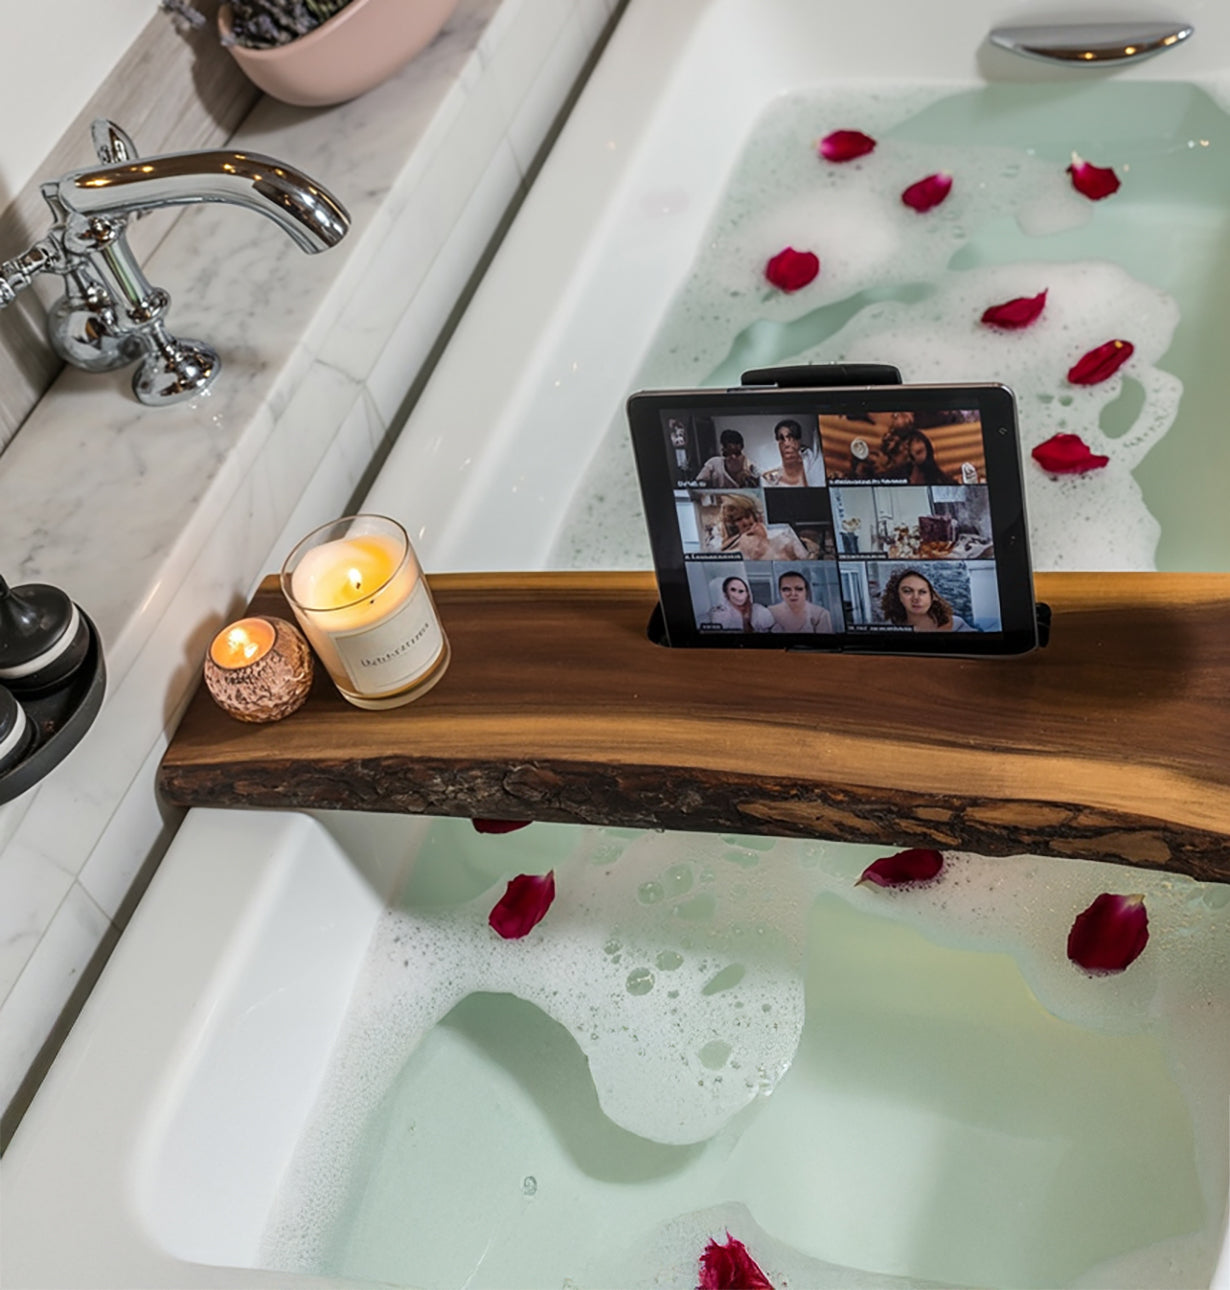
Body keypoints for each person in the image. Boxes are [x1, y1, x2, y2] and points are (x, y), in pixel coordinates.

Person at [879, 567, 976, 632]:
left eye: (922, 592)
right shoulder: (889, 629)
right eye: (908, 591)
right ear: (897, 596)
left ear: (932, 596)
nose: (916, 598)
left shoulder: (958, 625)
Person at [718, 493, 808, 561]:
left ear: (754, 516)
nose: (745, 522)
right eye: (739, 519)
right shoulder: (730, 552)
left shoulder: (783, 532)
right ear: (731, 525)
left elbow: (806, 561)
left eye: (747, 516)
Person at [762, 419, 826, 487]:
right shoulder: (770, 479)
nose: (786, 443)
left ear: (799, 440)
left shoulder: (813, 461)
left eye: (791, 437)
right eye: (781, 438)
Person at [769, 570, 834, 633]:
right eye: (786, 589)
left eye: (799, 589)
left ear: (806, 591)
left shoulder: (820, 614)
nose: (793, 594)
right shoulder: (770, 612)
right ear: (780, 592)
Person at [694, 429, 761, 489]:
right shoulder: (713, 464)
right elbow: (699, 484)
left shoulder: (752, 468)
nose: (733, 457)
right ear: (723, 450)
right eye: (728, 453)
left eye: (737, 453)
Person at [708, 575, 773, 632]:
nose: (738, 595)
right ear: (726, 594)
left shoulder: (758, 610)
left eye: (741, 591)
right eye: (733, 590)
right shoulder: (720, 614)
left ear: (747, 594)